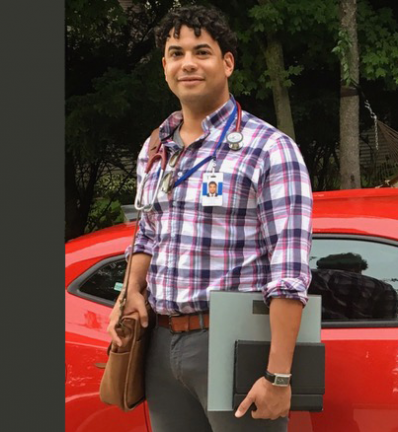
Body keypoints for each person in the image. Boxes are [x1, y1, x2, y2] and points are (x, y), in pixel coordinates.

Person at [106, 5, 313, 432]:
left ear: (227, 63)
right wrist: (129, 293)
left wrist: (278, 376)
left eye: (201, 52)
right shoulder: (156, 148)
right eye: (176, 52)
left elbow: (288, 270)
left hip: (233, 342)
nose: (188, 63)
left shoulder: (269, 149)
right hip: (161, 346)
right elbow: (147, 233)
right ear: (165, 65)